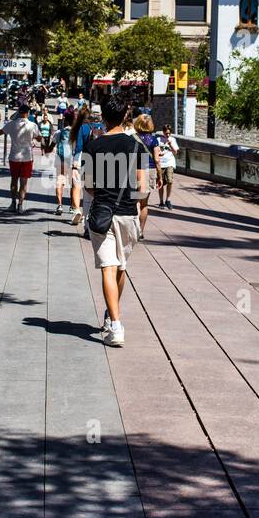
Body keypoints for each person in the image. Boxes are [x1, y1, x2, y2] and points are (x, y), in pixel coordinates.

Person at [82, 93, 150, 348]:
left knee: (109, 268)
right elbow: (142, 189)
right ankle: (114, 318)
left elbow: (88, 186)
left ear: (103, 116)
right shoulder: (137, 147)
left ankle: (116, 324)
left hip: (102, 213)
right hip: (127, 215)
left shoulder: (93, 147)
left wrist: (104, 192)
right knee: (120, 267)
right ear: (125, 116)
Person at [1, 104, 40, 213]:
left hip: (14, 156)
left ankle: (13, 203)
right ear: (27, 113)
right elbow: (39, 137)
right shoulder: (33, 125)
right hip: (27, 157)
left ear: (19, 112)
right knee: (24, 182)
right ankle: (20, 205)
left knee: (14, 180)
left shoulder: (11, 124)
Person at [132, 113, 162, 233]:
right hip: (149, 170)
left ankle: (132, 230)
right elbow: (156, 159)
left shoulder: (132, 137)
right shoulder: (153, 140)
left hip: (135, 169)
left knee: (134, 201)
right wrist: (160, 176)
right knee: (144, 204)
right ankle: (140, 231)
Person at [53, 109, 74, 216]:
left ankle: (60, 205)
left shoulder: (59, 132)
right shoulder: (76, 133)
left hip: (60, 160)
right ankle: (72, 206)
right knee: (73, 184)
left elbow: (52, 144)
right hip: (72, 161)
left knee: (60, 181)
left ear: (65, 121)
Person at [157, 125, 180, 209]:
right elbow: (155, 151)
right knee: (161, 183)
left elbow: (175, 153)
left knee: (170, 181)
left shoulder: (173, 140)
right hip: (161, 163)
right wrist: (159, 154)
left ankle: (168, 199)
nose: (168, 135)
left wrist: (171, 145)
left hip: (170, 163)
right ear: (163, 132)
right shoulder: (158, 140)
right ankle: (161, 202)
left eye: (169, 133)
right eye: (166, 133)